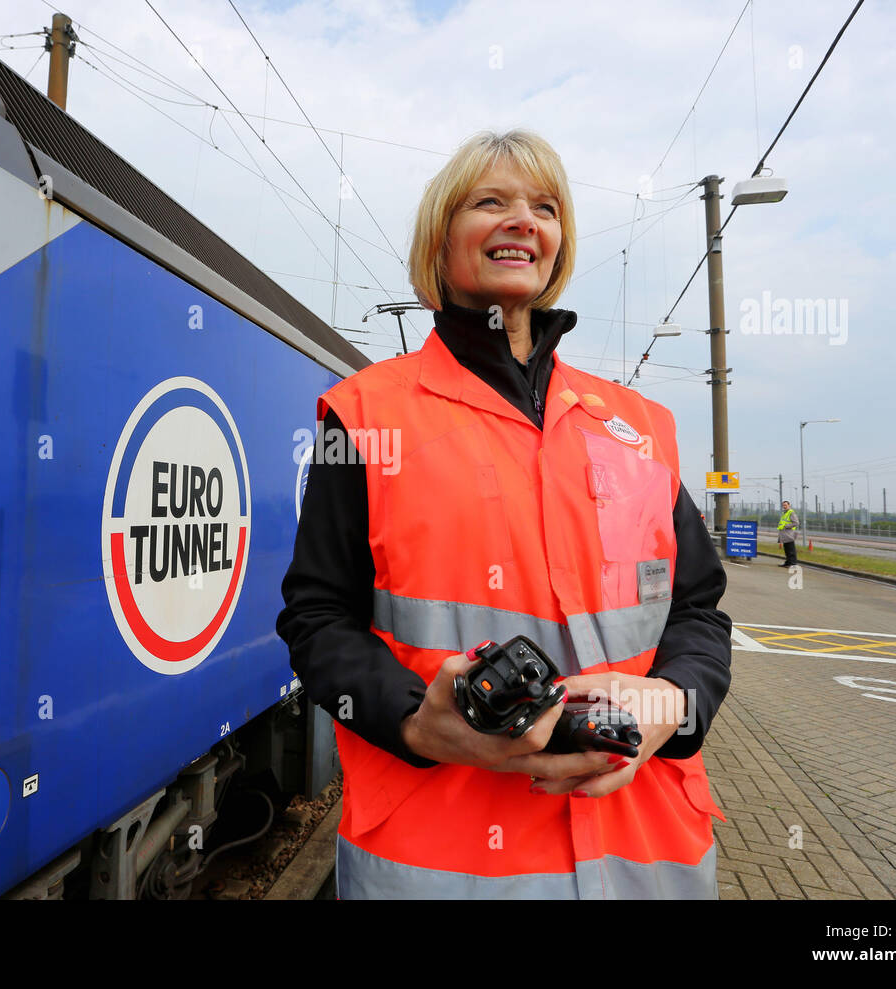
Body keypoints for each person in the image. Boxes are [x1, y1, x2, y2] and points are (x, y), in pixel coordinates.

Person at [276, 130, 733, 899]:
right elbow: (317, 616)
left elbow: (698, 610)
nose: (524, 219)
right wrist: (415, 719)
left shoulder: (637, 425)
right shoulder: (365, 417)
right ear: (440, 238)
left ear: (557, 245)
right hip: (442, 870)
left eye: (545, 207)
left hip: (647, 856)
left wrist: (675, 700)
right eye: (491, 202)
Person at [777, 500, 799, 567]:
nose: (784, 506)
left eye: (785, 505)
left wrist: (786, 526)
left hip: (789, 534)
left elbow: (796, 523)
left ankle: (793, 564)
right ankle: (788, 562)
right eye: (783, 505)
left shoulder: (791, 513)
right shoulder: (785, 513)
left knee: (791, 550)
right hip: (784, 535)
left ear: (789, 505)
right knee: (787, 550)